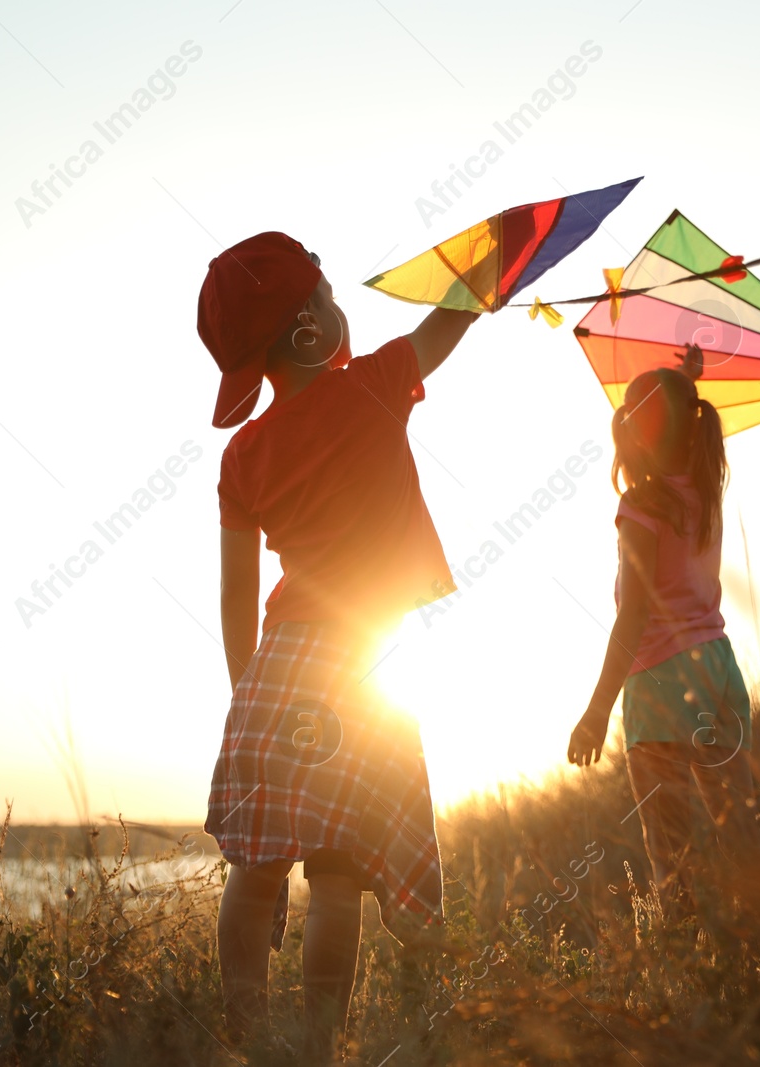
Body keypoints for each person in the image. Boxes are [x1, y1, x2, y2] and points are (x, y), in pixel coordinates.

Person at [196, 232, 478, 1061]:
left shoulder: (242, 453)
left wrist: (248, 688)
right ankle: (319, 1046)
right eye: (324, 290)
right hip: (360, 666)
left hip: (273, 670)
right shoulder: (379, 386)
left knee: (252, 876)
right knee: (337, 878)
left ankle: (244, 1037)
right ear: (314, 324)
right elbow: (453, 318)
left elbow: (235, 595)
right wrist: (493, 262)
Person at [567, 351, 760, 922]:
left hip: (660, 683)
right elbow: (691, 415)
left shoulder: (641, 507)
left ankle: (688, 970)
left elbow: (634, 616)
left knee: (670, 856)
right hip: (718, 671)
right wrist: (687, 380)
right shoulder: (705, 487)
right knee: (743, 834)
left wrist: (596, 710)